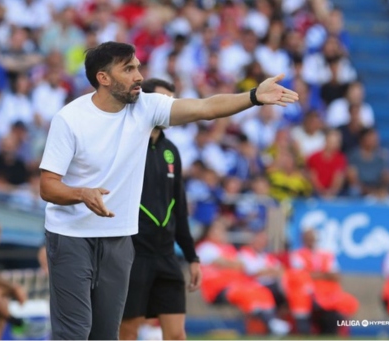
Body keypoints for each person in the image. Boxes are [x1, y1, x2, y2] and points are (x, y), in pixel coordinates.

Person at [39, 41, 298, 340]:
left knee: (105, 334)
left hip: (119, 238)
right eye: (129, 69)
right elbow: (48, 186)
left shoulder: (146, 106)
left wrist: (253, 96)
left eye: (137, 66)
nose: (139, 75)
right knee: (75, 331)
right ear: (103, 78)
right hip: (71, 235)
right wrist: (82, 194)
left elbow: (206, 107)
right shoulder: (69, 119)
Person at [119, 78, 201, 341]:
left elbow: (179, 207)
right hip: (133, 255)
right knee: (128, 332)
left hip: (166, 256)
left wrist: (192, 257)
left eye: (171, 102)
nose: (169, 107)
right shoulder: (126, 143)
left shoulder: (172, 151)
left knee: (177, 335)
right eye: (163, 101)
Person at [283, 228, 359, 335]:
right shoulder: (297, 254)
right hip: (308, 294)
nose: (311, 240)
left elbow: (336, 276)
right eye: (308, 238)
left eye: (313, 237)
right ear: (303, 239)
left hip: (329, 294)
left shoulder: (326, 255)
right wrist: (325, 275)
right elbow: (302, 275)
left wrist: (316, 274)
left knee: (339, 310)